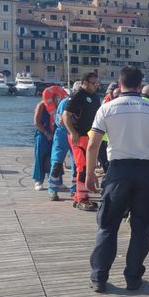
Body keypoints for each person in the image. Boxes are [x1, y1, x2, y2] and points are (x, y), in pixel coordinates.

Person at [84, 66, 149, 293]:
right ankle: (133, 278)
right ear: (140, 83)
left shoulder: (107, 108)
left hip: (117, 171)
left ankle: (99, 278)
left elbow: (93, 144)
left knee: (107, 226)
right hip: (144, 173)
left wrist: (88, 174)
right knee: (141, 227)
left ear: (120, 82)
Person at [62, 72, 102, 211]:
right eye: (93, 83)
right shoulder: (77, 96)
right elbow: (65, 115)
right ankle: (81, 198)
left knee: (89, 166)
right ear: (85, 82)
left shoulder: (95, 97)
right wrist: (73, 133)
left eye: (97, 83)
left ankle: (81, 194)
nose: (96, 85)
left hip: (90, 136)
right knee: (82, 167)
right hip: (79, 137)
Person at [48, 82, 81, 201]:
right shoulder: (65, 102)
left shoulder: (83, 103)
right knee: (57, 163)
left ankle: (75, 189)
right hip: (63, 133)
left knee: (77, 164)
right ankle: (53, 189)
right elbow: (61, 121)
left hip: (76, 134)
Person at [32, 85, 66, 190]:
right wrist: (46, 133)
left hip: (54, 135)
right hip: (42, 135)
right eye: (55, 98)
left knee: (56, 158)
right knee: (40, 157)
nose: (57, 100)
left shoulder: (58, 107)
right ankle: (38, 181)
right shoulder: (41, 105)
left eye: (58, 98)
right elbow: (36, 122)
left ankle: (58, 181)